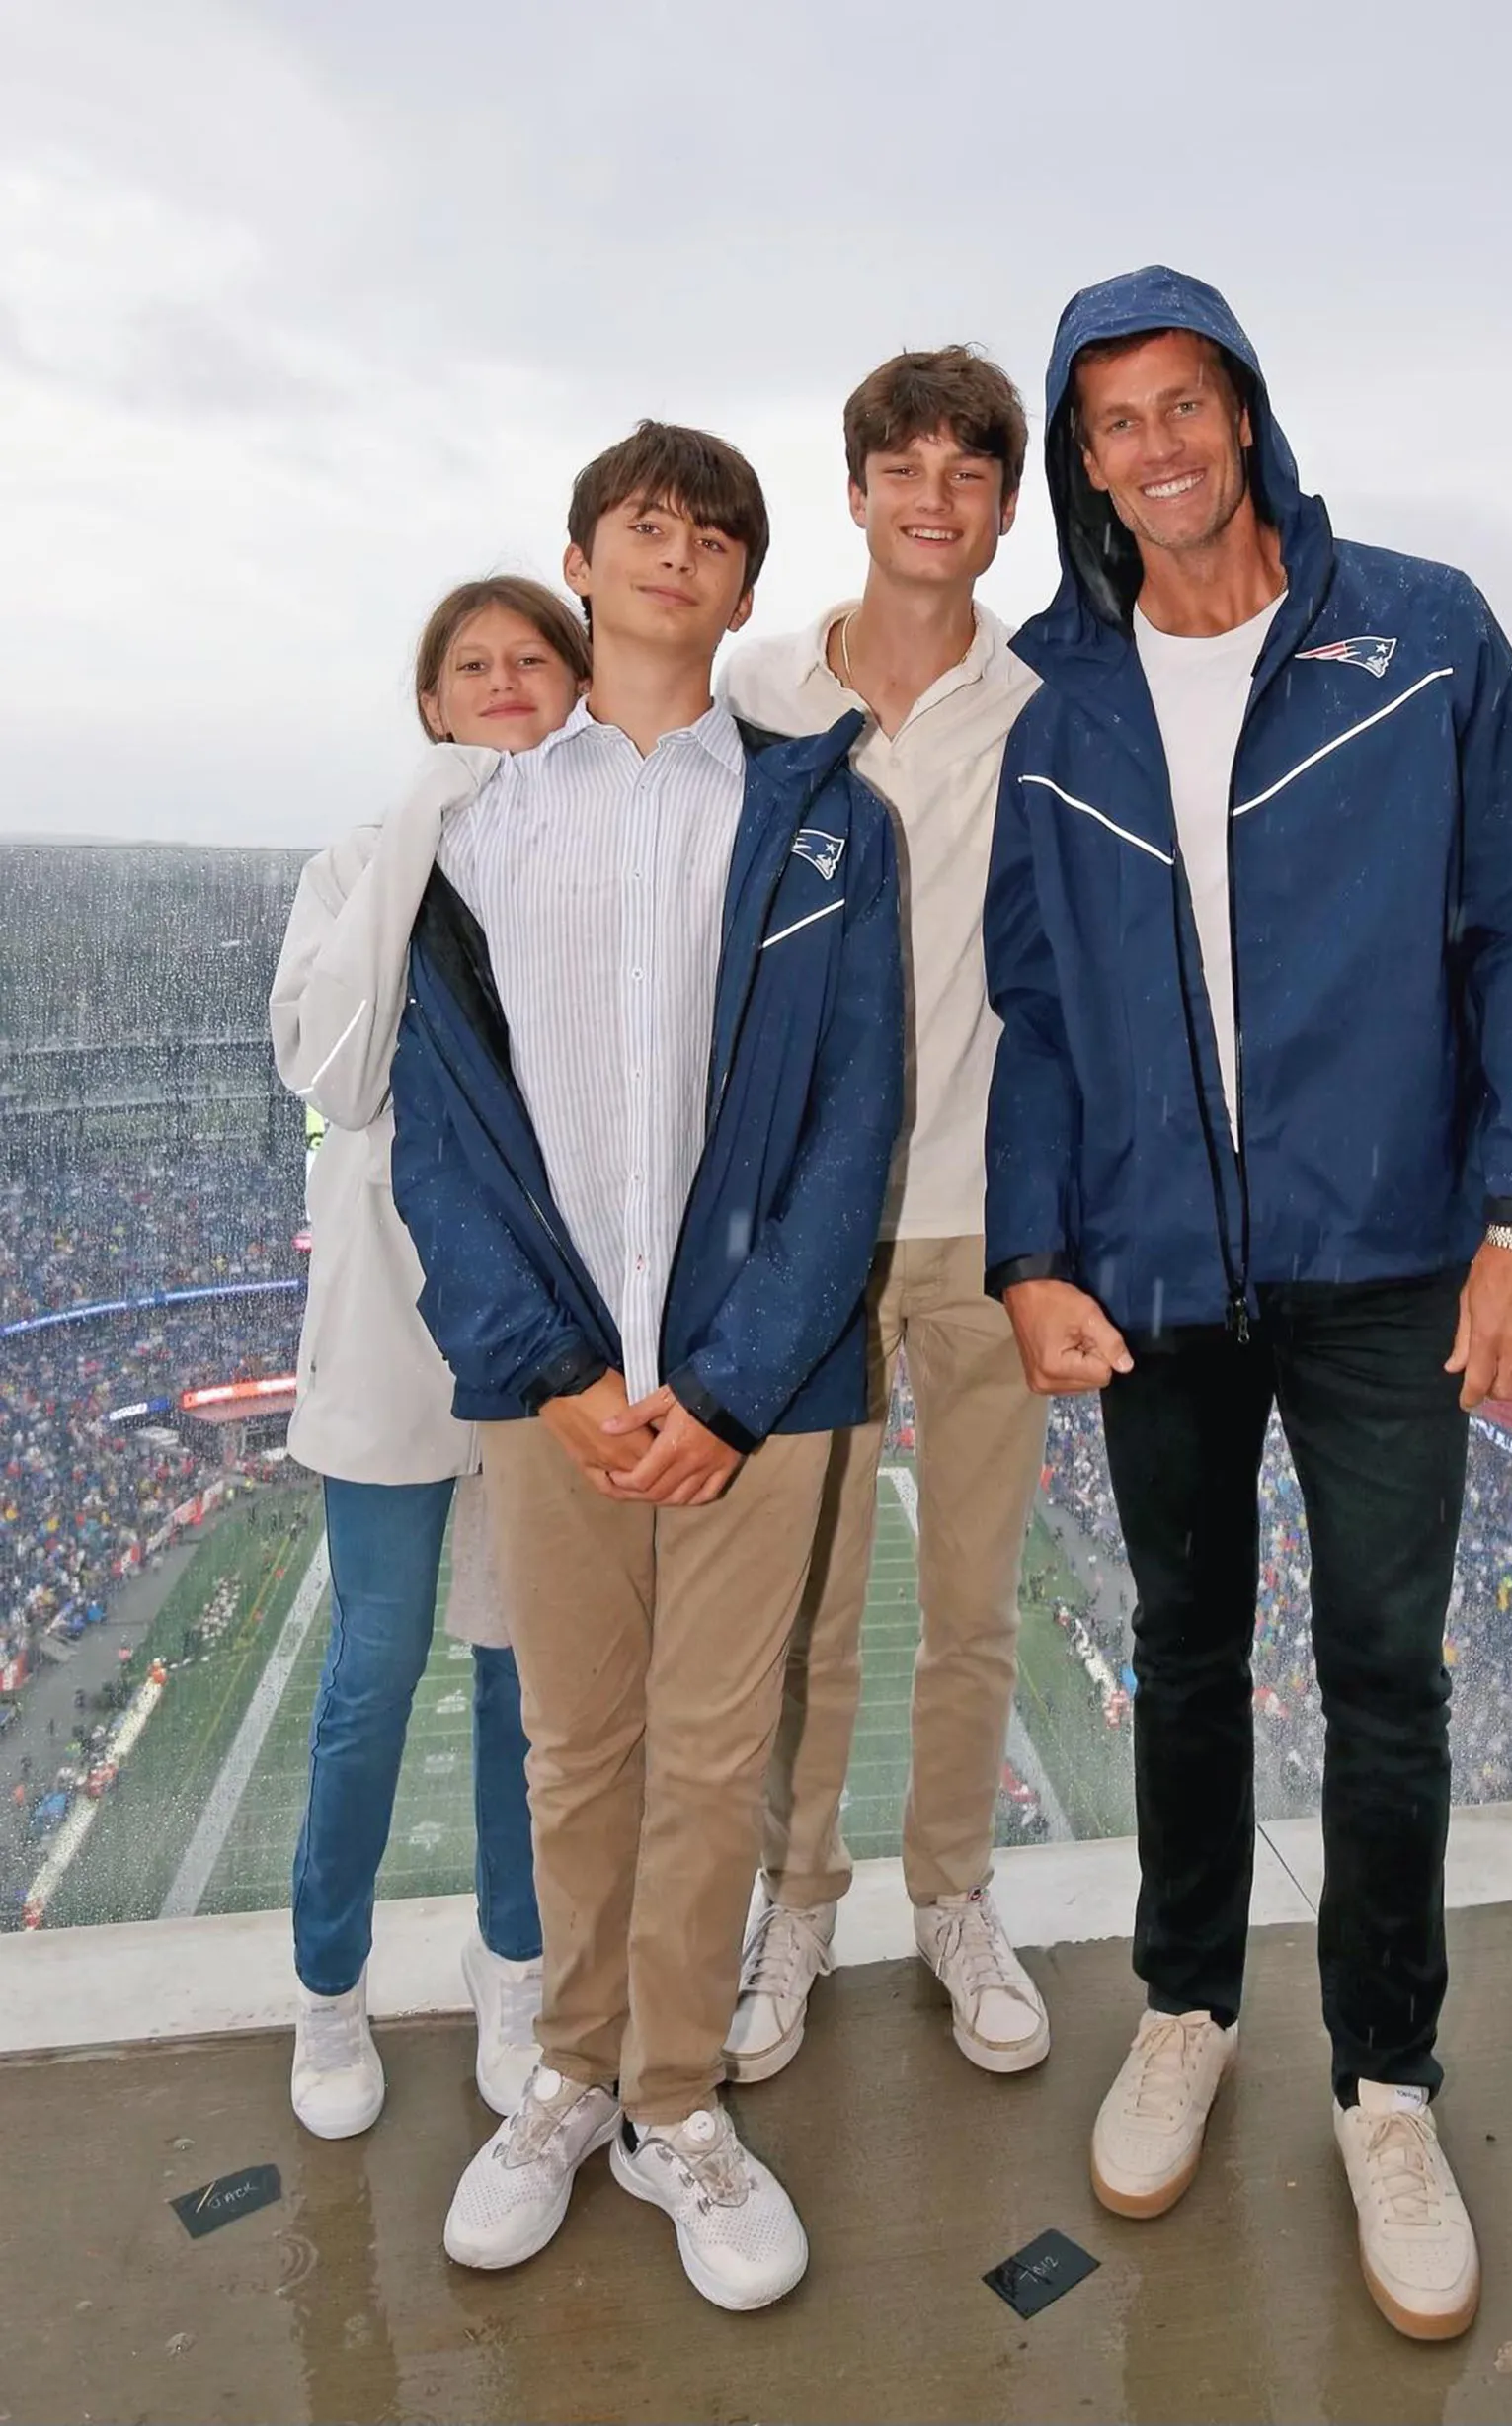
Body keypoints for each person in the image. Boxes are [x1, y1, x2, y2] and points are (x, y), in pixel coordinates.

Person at [984, 267, 1512, 2342]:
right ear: (1084, 458)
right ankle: (1183, 2002)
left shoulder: (1419, 635)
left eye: (1183, 404)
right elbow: (1037, 1009)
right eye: (1112, 420)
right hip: (1154, 1264)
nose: (1152, 446)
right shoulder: (1057, 697)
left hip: (1388, 1250)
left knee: (1385, 1673)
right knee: (1178, 1647)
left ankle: (1386, 2081)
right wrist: (1031, 1251)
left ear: (1242, 417)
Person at [389, 420, 902, 2312]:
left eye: (711, 533)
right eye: (639, 523)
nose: (674, 550)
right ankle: (570, 2077)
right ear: (582, 562)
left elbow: (859, 1120)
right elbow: (438, 1128)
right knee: (573, 1746)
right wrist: (544, 1369)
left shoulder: (829, 815)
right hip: (555, 1383)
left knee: (708, 1757)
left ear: (746, 588)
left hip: (748, 1389)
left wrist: (739, 1382)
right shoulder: (473, 826)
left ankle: (676, 2098)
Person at [719, 347, 1050, 2083]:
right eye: (903, 465)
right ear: (853, 492)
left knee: (978, 1599)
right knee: (807, 1610)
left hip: (991, 1221)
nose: (934, 496)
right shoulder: (755, 686)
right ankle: (795, 1902)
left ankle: (953, 1894)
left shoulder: (1047, 694)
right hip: (810, 1228)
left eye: (968, 471)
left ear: (1004, 506)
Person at [271, 575, 590, 2140]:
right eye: (471, 663)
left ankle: (512, 1966)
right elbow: (332, 1061)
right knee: (370, 1681)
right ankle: (328, 1992)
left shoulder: (595, 860)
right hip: (392, 1346)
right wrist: (419, 829)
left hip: (541, 1336)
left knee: (526, 1685)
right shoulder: (351, 864)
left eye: (535, 655)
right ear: (429, 702)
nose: (505, 679)